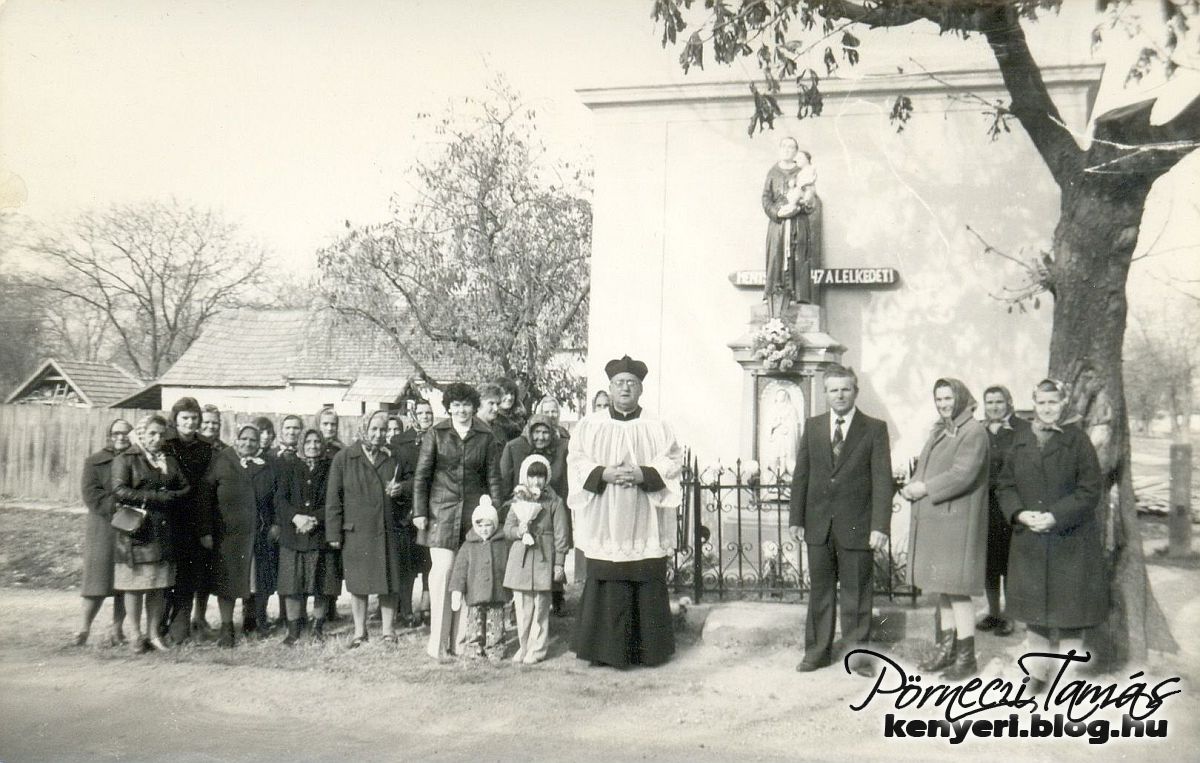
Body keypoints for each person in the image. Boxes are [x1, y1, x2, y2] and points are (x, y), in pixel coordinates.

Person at [567, 355, 683, 668]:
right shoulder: (591, 426)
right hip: (605, 514)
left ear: (641, 389)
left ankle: (648, 650)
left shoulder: (657, 426)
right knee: (607, 575)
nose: (626, 388)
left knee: (644, 576)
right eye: (620, 383)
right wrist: (601, 473)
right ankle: (605, 651)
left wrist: (644, 474)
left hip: (644, 514)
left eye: (632, 383)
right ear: (609, 388)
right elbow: (576, 460)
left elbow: (673, 459)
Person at [997, 379, 1105, 693]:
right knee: (1035, 613)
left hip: (1069, 540)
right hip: (1030, 538)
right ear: (1034, 404)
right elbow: (1005, 486)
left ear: (1063, 405)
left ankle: (1068, 680)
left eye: (1053, 403)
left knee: (1070, 613)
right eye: (1042, 403)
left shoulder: (1078, 440)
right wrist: (1019, 513)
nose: (1047, 409)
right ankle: (1039, 674)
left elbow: (1090, 490)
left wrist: (1056, 515)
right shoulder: (1020, 440)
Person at [787, 365, 893, 677]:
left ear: (855, 391)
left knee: (857, 592)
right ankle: (817, 652)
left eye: (846, 389)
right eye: (833, 390)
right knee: (820, 591)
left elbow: (882, 481)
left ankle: (857, 657)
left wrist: (880, 526)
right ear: (825, 393)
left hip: (858, 525)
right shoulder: (814, 426)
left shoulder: (873, 429)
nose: (840, 395)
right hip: (819, 525)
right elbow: (801, 475)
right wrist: (796, 518)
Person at [900, 378, 990, 681]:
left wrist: (924, 488)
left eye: (948, 398)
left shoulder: (973, 432)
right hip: (941, 520)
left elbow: (962, 475)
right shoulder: (942, 429)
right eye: (939, 399)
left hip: (958, 523)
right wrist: (913, 484)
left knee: (959, 592)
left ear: (961, 398)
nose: (943, 404)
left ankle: (966, 660)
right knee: (945, 589)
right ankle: (948, 650)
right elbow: (927, 466)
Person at [413, 382, 504, 660]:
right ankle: (439, 645)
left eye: (466, 405)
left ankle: (463, 641)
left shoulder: (485, 436)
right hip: (441, 513)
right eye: (456, 405)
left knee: (469, 577)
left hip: (474, 516)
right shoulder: (436, 434)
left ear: (474, 407)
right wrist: (419, 512)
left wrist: (495, 513)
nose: (462, 410)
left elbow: (493, 478)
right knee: (442, 574)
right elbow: (422, 475)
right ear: (449, 407)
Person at [325, 410, 414, 648]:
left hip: (387, 528)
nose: (378, 434)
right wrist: (333, 533)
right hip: (357, 531)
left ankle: (388, 631)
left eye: (383, 430)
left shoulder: (395, 456)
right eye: (374, 429)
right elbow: (334, 498)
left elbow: (415, 482)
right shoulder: (344, 458)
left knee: (389, 581)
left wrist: (402, 488)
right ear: (364, 428)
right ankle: (359, 632)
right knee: (359, 583)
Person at [111, 414, 190, 653]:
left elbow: (185, 487)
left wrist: (172, 497)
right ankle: (135, 635)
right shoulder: (127, 458)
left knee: (158, 585)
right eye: (152, 433)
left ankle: (154, 633)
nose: (157, 439)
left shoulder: (168, 460)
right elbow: (118, 490)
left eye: (161, 434)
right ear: (142, 433)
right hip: (137, 532)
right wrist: (154, 498)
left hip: (163, 532)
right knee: (135, 585)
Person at [200, 424, 280, 647]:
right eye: (243, 439)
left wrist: (275, 523)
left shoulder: (267, 465)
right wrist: (205, 530)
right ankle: (227, 628)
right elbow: (205, 498)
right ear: (236, 440)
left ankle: (252, 621)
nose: (248, 443)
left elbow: (276, 497)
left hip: (258, 534)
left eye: (253, 440)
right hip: (228, 534)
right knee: (228, 582)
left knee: (255, 581)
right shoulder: (222, 461)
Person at [500, 412, 571, 616]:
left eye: (545, 432)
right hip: (522, 507)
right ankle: (517, 603)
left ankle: (553, 598)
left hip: (551, 510)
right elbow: (506, 478)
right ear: (530, 433)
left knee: (549, 554)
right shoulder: (516, 448)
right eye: (537, 432)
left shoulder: (560, 450)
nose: (541, 437)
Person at [275, 429, 342, 644]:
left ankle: (317, 628)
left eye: (317, 442)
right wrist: (296, 517)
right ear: (301, 444)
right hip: (293, 534)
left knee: (322, 584)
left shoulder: (331, 468)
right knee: (292, 585)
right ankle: (293, 631)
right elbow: (280, 499)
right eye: (308, 442)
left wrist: (313, 519)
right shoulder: (288, 466)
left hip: (319, 534)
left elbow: (336, 500)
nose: (313, 446)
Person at [503, 455, 570, 664]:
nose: (536, 482)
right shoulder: (518, 499)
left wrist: (559, 563)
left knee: (541, 606)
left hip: (543, 556)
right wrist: (518, 530)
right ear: (525, 477)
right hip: (521, 557)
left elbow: (561, 534)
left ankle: (537, 649)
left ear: (546, 478)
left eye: (540, 476)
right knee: (522, 606)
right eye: (532, 476)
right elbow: (507, 528)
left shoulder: (555, 501)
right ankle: (523, 647)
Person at [977, 385, 1031, 637]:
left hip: (1011, 505)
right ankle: (994, 612)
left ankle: (1010, 616)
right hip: (985, 506)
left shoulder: (1022, 429)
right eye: (989, 402)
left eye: (999, 402)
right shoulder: (980, 430)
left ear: (1009, 402)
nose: (994, 407)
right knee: (989, 563)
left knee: (1010, 564)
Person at [162, 396, 215, 644]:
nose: (190, 423)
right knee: (165, 577)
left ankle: (179, 629)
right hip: (168, 515)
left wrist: (205, 528)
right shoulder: (165, 443)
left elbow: (206, 490)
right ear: (175, 420)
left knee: (187, 577)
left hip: (194, 518)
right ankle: (157, 627)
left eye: (194, 418)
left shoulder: (205, 448)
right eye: (185, 418)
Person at [75, 418, 133, 646]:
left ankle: (117, 629)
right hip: (103, 526)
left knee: (125, 581)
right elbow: (91, 494)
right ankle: (84, 628)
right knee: (97, 579)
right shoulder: (95, 461)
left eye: (127, 433)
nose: (121, 437)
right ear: (109, 435)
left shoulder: (137, 460)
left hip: (130, 525)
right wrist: (116, 506)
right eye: (117, 433)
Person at [389, 399, 436, 627]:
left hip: (431, 507)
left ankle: (426, 607)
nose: (426, 416)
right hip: (405, 511)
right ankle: (405, 610)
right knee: (406, 563)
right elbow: (396, 475)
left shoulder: (440, 438)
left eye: (429, 412)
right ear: (413, 415)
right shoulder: (399, 441)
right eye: (421, 413)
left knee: (429, 561)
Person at [762, 137, 821, 312]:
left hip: (798, 223)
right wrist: (777, 212)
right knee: (775, 256)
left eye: (792, 147)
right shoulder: (772, 173)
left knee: (798, 257)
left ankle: (798, 296)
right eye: (785, 146)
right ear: (780, 149)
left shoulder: (802, 172)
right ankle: (773, 295)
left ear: (796, 152)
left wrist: (799, 206)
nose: (788, 150)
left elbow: (811, 197)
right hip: (778, 225)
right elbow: (766, 198)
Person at [449, 497, 509, 663]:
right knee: (474, 623)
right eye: (480, 525)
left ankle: (495, 647)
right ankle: (474, 647)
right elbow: (460, 570)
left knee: (496, 623)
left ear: (495, 524)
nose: (484, 529)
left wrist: (510, 589)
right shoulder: (468, 545)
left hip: (496, 592)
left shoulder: (502, 543)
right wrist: (457, 590)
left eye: (488, 525)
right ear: (475, 526)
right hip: (474, 593)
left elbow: (508, 567)